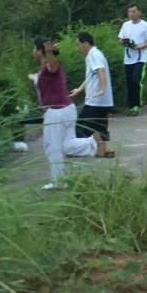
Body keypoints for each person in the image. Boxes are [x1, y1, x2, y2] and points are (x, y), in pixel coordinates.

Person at [30, 37, 105, 189]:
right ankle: (92, 143)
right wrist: (34, 78)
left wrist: (49, 53)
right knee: (66, 145)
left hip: (56, 112)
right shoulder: (44, 69)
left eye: (34, 49)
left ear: (40, 51)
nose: (32, 52)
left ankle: (59, 181)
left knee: (52, 147)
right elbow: (47, 79)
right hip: (66, 110)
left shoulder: (51, 65)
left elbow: (53, 65)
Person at [70, 32, 115, 146]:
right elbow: (91, 76)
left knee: (81, 127)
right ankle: (104, 150)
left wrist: (103, 88)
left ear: (85, 43)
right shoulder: (94, 54)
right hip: (101, 102)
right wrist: (79, 90)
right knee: (100, 128)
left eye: (78, 45)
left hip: (96, 102)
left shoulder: (93, 55)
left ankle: (78, 150)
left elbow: (101, 70)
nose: (77, 49)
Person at [117, 5, 147, 116]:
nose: (132, 13)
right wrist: (126, 42)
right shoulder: (126, 25)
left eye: (134, 11)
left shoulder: (145, 25)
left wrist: (141, 46)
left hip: (141, 57)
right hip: (128, 58)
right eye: (129, 12)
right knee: (129, 82)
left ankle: (137, 105)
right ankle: (131, 105)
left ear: (139, 12)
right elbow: (120, 39)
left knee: (136, 79)